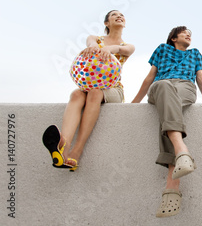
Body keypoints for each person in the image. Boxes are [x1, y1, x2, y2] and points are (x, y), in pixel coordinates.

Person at [132, 26, 202, 218]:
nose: (189, 35)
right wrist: (134, 102)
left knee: (168, 113)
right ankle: (181, 151)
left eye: (190, 34)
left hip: (185, 87)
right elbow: (150, 77)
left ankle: (172, 188)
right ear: (174, 37)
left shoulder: (195, 53)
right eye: (185, 33)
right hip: (160, 87)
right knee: (163, 85)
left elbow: (200, 79)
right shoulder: (162, 49)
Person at [42, 10, 135, 171]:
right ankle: (63, 145)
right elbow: (90, 43)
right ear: (106, 23)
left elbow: (123, 51)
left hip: (113, 90)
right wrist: (94, 48)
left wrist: (109, 49)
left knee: (95, 93)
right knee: (76, 93)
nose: (119, 16)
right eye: (114, 15)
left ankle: (77, 150)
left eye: (122, 15)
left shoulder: (127, 46)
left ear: (124, 23)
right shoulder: (95, 39)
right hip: (89, 86)